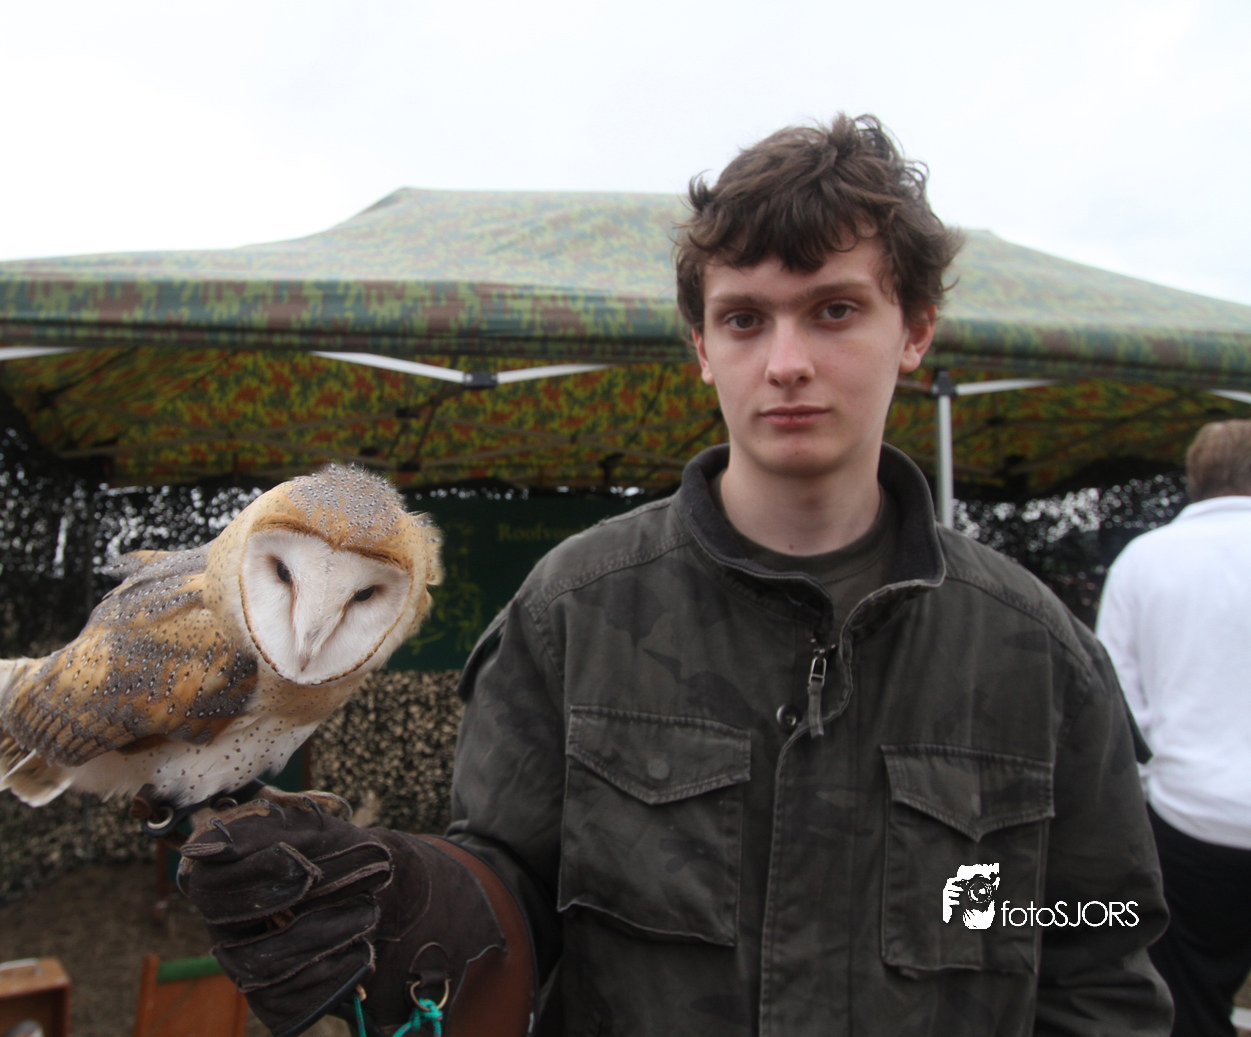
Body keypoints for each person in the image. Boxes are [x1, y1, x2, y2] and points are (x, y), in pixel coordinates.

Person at [177, 114, 1173, 1037]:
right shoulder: (570, 614)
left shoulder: (1038, 656)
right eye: (744, 319)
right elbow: (513, 894)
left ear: (914, 328)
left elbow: (1096, 959)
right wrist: (414, 904)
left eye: (833, 310)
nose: (785, 360)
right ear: (700, 345)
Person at [1096, 419, 1251, 1037]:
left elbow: (1116, 702)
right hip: (1190, 812)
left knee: (1188, 1002)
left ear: (1194, 478)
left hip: (1188, 817)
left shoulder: (1145, 559)